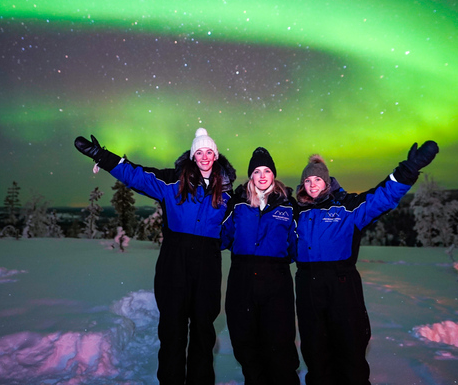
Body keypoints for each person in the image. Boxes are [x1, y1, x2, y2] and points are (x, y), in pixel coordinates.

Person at [74, 128, 236, 385]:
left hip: (207, 266)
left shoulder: (228, 195)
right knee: (173, 331)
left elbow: (233, 231)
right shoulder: (173, 181)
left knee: (203, 334)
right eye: (199, 152)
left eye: (209, 152)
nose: (205, 157)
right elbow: (136, 175)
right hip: (174, 264)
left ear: (215, 156)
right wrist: (103, 157)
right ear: (193, 156)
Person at [294, 141, 439, 385]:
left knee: (350, 347)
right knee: (315, 350)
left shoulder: (348, 207)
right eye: (308, 181)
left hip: (341, 284)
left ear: (327, 181)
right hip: (308, 286)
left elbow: (382, 197)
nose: (312, 185)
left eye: (317, 180)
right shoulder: (296, 212)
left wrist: (409, 169)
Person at [220, 147, 300, 385]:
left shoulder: (288, 206)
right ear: (250, 176)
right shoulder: (238, 204)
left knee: (279, 342)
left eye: (267, 170)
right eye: (257, 171)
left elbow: (296, 246)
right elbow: (222, 237)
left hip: (276, 281)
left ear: (273, 174)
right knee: (244, 340)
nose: (262, 176)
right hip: (242, 279)